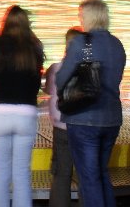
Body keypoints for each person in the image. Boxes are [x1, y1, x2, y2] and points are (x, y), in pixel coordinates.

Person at [55, 0, 126, 207]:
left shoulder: (81, 42)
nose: (81, 19)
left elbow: (61, 80)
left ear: (91, 16)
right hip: (112, 118)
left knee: (89, 179)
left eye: (82, 15)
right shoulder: (117, 44)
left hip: (84, 119)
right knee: (102, 174)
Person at [0, 6, 45, 207]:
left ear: (6, 22)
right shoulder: (34, 46)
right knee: (22, 174)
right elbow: (36, 83)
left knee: (0, 174)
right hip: (25, 113)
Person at [44, 27, 83, 207]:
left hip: (61, 128)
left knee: (61, 174)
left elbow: (47, 89)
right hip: (84, 127)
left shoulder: (55, 69)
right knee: (85, 174)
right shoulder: (89, 69)